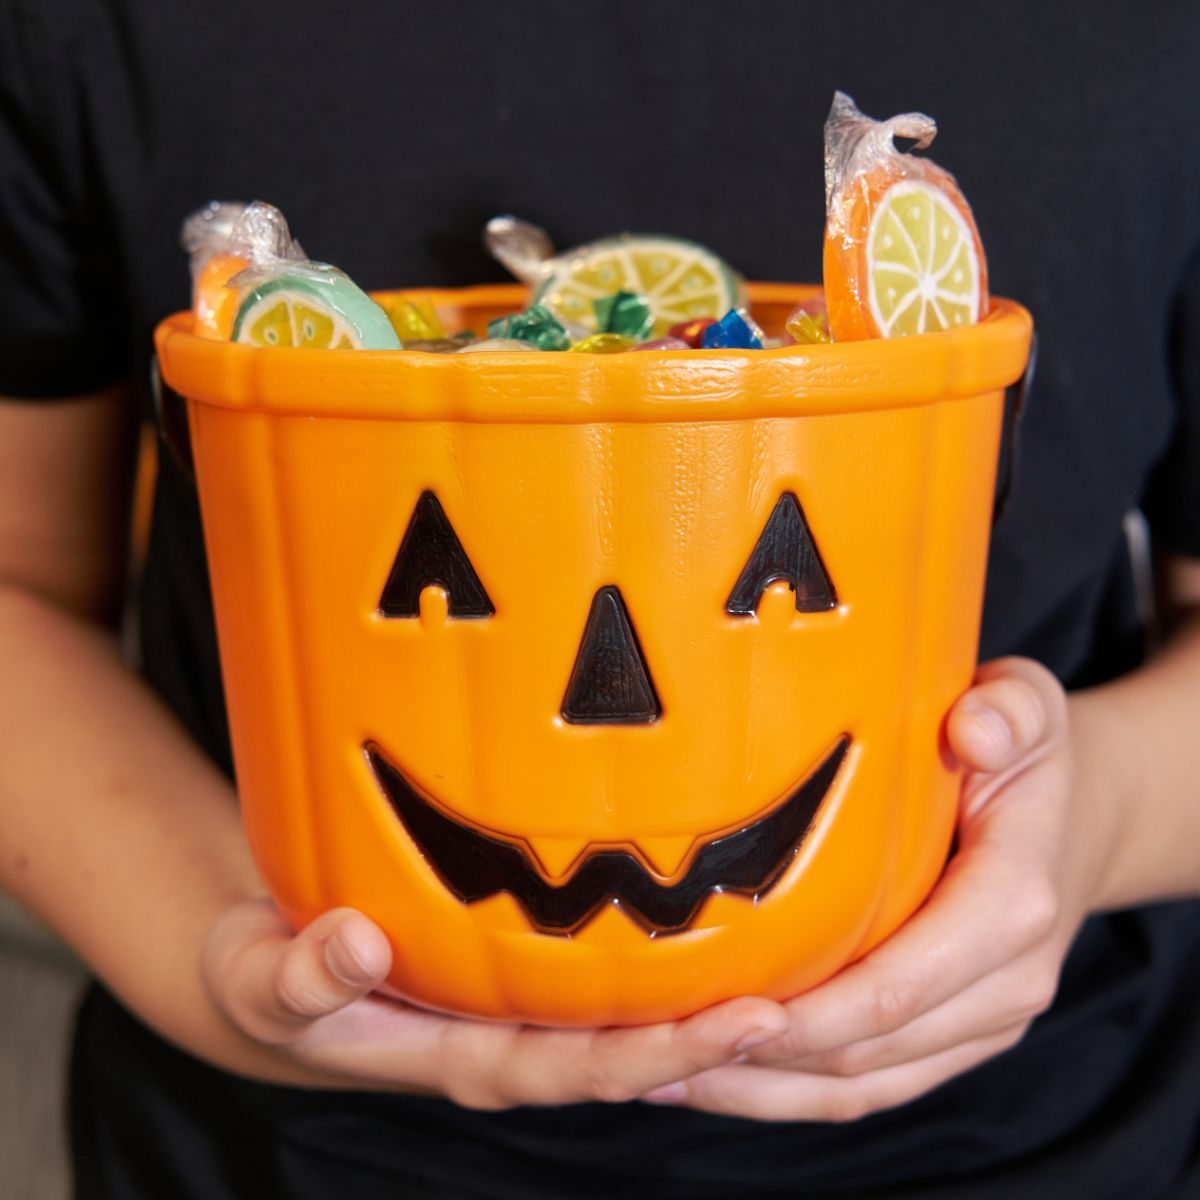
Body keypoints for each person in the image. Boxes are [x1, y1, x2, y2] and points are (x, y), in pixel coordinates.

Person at [2, 3, 1199, 1197]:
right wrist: (199, 940)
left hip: (1050, 1145)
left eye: (777, 583)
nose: (613, 700)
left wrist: (1097, 813)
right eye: (441, 588)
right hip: (270, 1159)